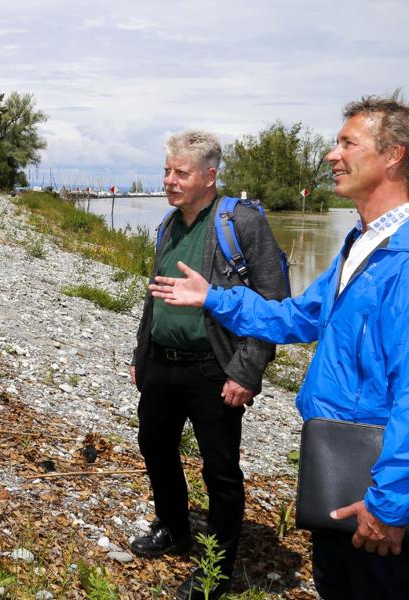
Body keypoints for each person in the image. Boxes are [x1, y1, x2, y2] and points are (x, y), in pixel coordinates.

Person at [149, 93, 409, 599]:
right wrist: (214, 299)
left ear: (393, 155)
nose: (332, 155)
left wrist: (390, 504)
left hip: (375, 477)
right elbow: (301, 316)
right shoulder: (365, 245)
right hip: (337, 456)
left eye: (347, 143)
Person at [129, 130, 289, 600]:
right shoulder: (169, 223)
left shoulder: (241, 224)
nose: (170, 180)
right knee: (154, 446)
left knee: (220, 471)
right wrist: (142, 352)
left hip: (214, 369)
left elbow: (274, 302)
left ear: (210, 176)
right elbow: (153, 295)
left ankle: (216, 568)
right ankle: (174, 527)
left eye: (181, 172)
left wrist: (248, 369)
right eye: (167, 171)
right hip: (162, 362)